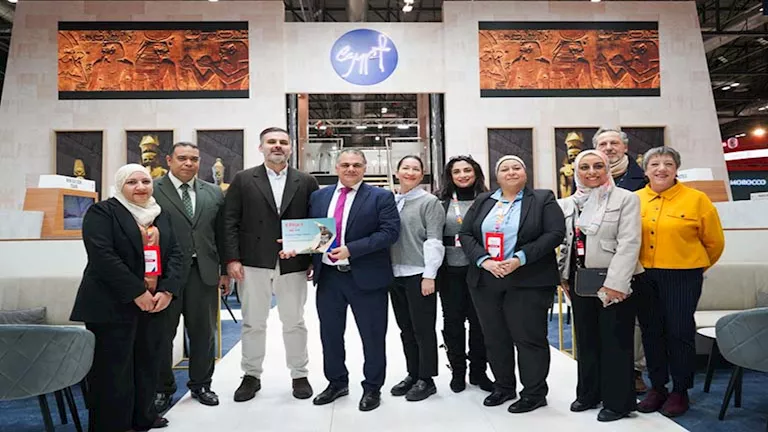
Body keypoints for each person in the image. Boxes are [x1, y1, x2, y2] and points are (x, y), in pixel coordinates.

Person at [70, 164, 182, 432]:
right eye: (132, 182)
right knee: (113, 369)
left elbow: (176, 253)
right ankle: (113, 425)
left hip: (153, 303)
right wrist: (136, 292)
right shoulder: (103, 212)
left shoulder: (160, 214)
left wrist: (167, 290)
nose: (140, 187)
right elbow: (102, 256)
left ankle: (143, 416)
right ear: (120, 185)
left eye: (145, 181)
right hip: (111, 304)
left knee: (147, 363)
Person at [459, 155, 565, 414]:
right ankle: (503, 387)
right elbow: (466, 233)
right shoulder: (484, 200)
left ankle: (534, 393)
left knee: (528, 337)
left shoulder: (542, 199)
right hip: (486, 278)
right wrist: (484, 260)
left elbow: (554, 234)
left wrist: (520, 258)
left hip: (528, 279)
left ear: (525, 172)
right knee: (495, 337)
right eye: (504, 169)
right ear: (497, 176)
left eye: (516, 167)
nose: (511, 172)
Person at [222, 127, 319, 402]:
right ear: (261, 147)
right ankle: (251, 375)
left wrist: (311, 256)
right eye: (271, 142)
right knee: (253, 322)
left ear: (291, 148)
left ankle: (299, 374)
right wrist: (232, 259)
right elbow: (229, 221)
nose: (277, 146)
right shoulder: (243, 179)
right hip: (253, 262)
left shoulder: (306, 181)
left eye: (283, 142)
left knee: (295, 322)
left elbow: (315, 221)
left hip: (294, 263)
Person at [306, 149, 400, 412]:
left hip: (367, 278)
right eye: (345, 164)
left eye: (356, 165)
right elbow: (317, 233)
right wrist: (299, 248)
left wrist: (352, 250)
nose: (351, 169)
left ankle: (372, 387)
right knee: (330, 335)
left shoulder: (381, 197)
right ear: (336, 167)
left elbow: (390, 233)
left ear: (365, 168)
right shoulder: (319, 196)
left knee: (372, 336)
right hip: (329, 277)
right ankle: (337, 382)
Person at [635, 147, 725, 417]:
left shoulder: (697, 199)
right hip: (643, 276)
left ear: (676, 169)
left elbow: (715, 242)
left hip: (683, 276)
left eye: (668, 164)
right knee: (651, 332)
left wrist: (693, 266)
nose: (661, 169)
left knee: (679, 332)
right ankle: (658, 387)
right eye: (654, 164)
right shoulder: (634, 199)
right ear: (646, 169)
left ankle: (680, 390)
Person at [557, 150, 643, 422]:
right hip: (580, 280)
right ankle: (589, 394)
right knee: (586, 340)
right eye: (584, 167)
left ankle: (618, 403)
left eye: (598, 166)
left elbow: (629, 242)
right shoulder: (569, 203)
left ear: (607, 169)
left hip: (614, 281)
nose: (591, 172)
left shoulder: (626, 199)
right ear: (576, 172)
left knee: (615, 342)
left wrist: (616, 284)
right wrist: (564, 277)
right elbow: (566, 242)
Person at [153, 142, 228, 411]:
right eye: (182, 158)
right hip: (166, 276)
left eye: (194, 159)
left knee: (204, 333)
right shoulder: (152, 189)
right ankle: (162, 389)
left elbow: (222, 234)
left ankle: (201, 384)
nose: (188, 163)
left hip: (203, 272)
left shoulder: (213, 192)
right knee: (162, 334)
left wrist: (224, 271)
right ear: (169, 160)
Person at [592, 126, 649, 393]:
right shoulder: (588, 178)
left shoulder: (643, 178)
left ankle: (635, 371)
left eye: (614, 143)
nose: (609, 148)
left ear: (625, 147)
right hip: (598, 261)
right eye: (603, 144)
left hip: (634, 261)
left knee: (634, 323)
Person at [387, 155, 445, 402]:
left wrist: (429, 275)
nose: (410, 172)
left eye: (415, 169)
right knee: (406, 329)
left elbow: (434, 239)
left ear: (422, 174)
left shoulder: (429, 202)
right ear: (397, 172)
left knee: (423, 329)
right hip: (394, 273)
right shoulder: (391, 201)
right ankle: (413, 373)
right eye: (405, 168)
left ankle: (427, 379)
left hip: (419, 273)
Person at [435, 155, 493, 393]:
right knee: (453, 323)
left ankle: (479, 371)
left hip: (481, 271)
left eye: (467, 170)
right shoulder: (441, 202)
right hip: (450, 272)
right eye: (456, 172)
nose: (462, 175)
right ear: (450, 177)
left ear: (476, 172)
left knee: (481, 323)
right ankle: (458, 372)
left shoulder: (489, 200)